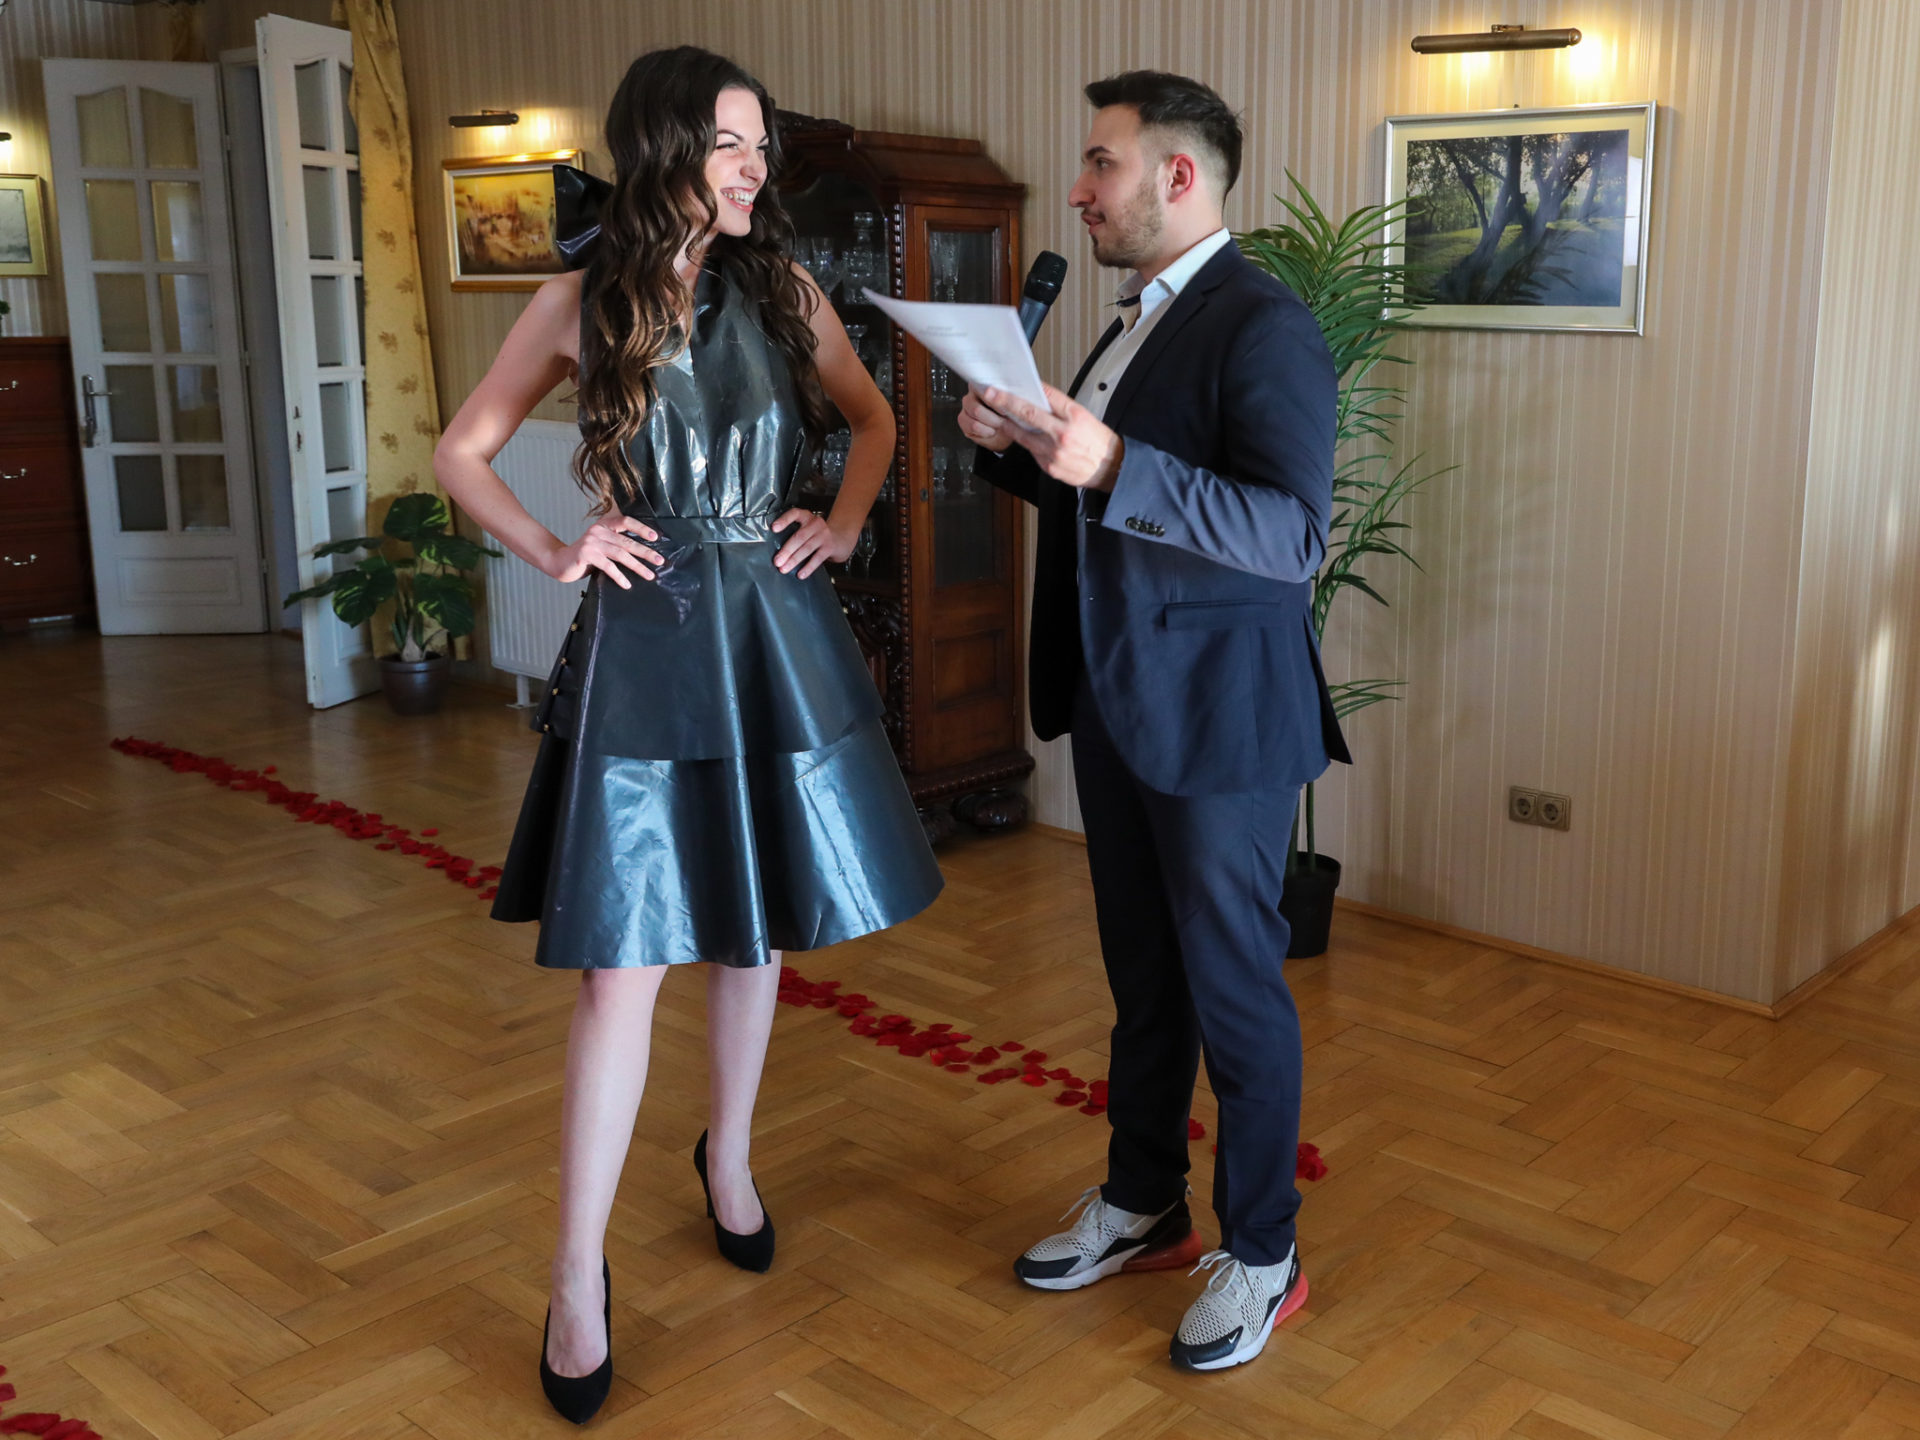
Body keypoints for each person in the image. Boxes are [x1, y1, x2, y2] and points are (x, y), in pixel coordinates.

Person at [434, 46, 942, 1424]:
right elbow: (461, 453)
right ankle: (575, 1275)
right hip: (648, 645)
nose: (755, 166)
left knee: (754, 933)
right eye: (731, 142)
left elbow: (878, 419)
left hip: (774, 632)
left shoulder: (784, 288)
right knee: (620, 975)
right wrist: (558, 550)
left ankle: (730, 1157)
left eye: (762, 144)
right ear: (665, 147)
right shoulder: (576, 300)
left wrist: (844, 522)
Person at [959, 70, 1347, 1373]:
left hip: (1222, 714)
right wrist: (1018, 446)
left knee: (1235, 990)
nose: (1079, 189)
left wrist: (1117, 461)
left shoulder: (1263, 323)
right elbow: (1106, 504)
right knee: (1142, 977)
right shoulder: (1134, 319)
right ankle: (1146, 1203)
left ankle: (1266, 1253)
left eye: (1100, 164)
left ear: (1177, 176)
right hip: (1119, 699)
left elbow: (1290, 536)